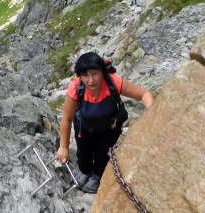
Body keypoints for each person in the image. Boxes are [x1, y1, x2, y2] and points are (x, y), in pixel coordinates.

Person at [55, 52, 154, 193]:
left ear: (102, 72)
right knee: (83, 152)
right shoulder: (76, 88)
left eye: (95, 74)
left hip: (109, 127)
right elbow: (67, 119)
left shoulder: (113, 82)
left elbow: (144, 94)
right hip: (85, 126)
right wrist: (63, 146)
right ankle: (84, 171)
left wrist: (152, 114)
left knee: (103, 154)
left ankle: (97, 176)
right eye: (85, 75)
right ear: (79, 76)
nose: (91, 80)